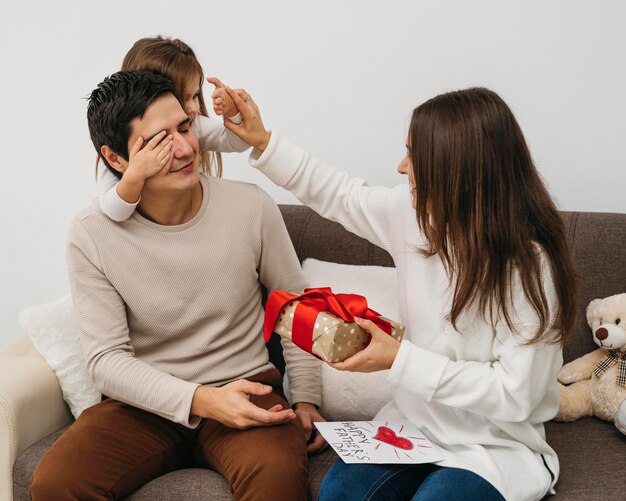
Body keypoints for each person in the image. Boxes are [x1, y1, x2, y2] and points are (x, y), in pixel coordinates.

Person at [220, 85, 578, 501]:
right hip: (413, 425)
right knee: (338, 493)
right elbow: (339, 194)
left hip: (493, 445)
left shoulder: (530, 268)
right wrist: (264, 141)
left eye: (414, 156)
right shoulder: (412, 216)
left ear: (457, 170)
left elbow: (515, 395)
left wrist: (399, 359)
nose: (400, 167)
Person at [29, 70, 325, 501]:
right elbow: (106, 359)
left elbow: (294, 305)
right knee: (56, 482)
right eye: (158, 141)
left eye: (185, 128)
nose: (186, 149)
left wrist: (306, 400)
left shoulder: (251, 207)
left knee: (276, 479)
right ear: (116, 159)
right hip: (142, 405)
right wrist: (202, 399)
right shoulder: (90, 232)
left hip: (246, 388)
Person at [98, 36, 250, 222]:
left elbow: (239, 141)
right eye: (181, 97)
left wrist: (234, 112)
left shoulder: (195, 125)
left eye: (194, 96)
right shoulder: (120, 148)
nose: (193, 108)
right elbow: (114, 212)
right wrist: (133, 176)